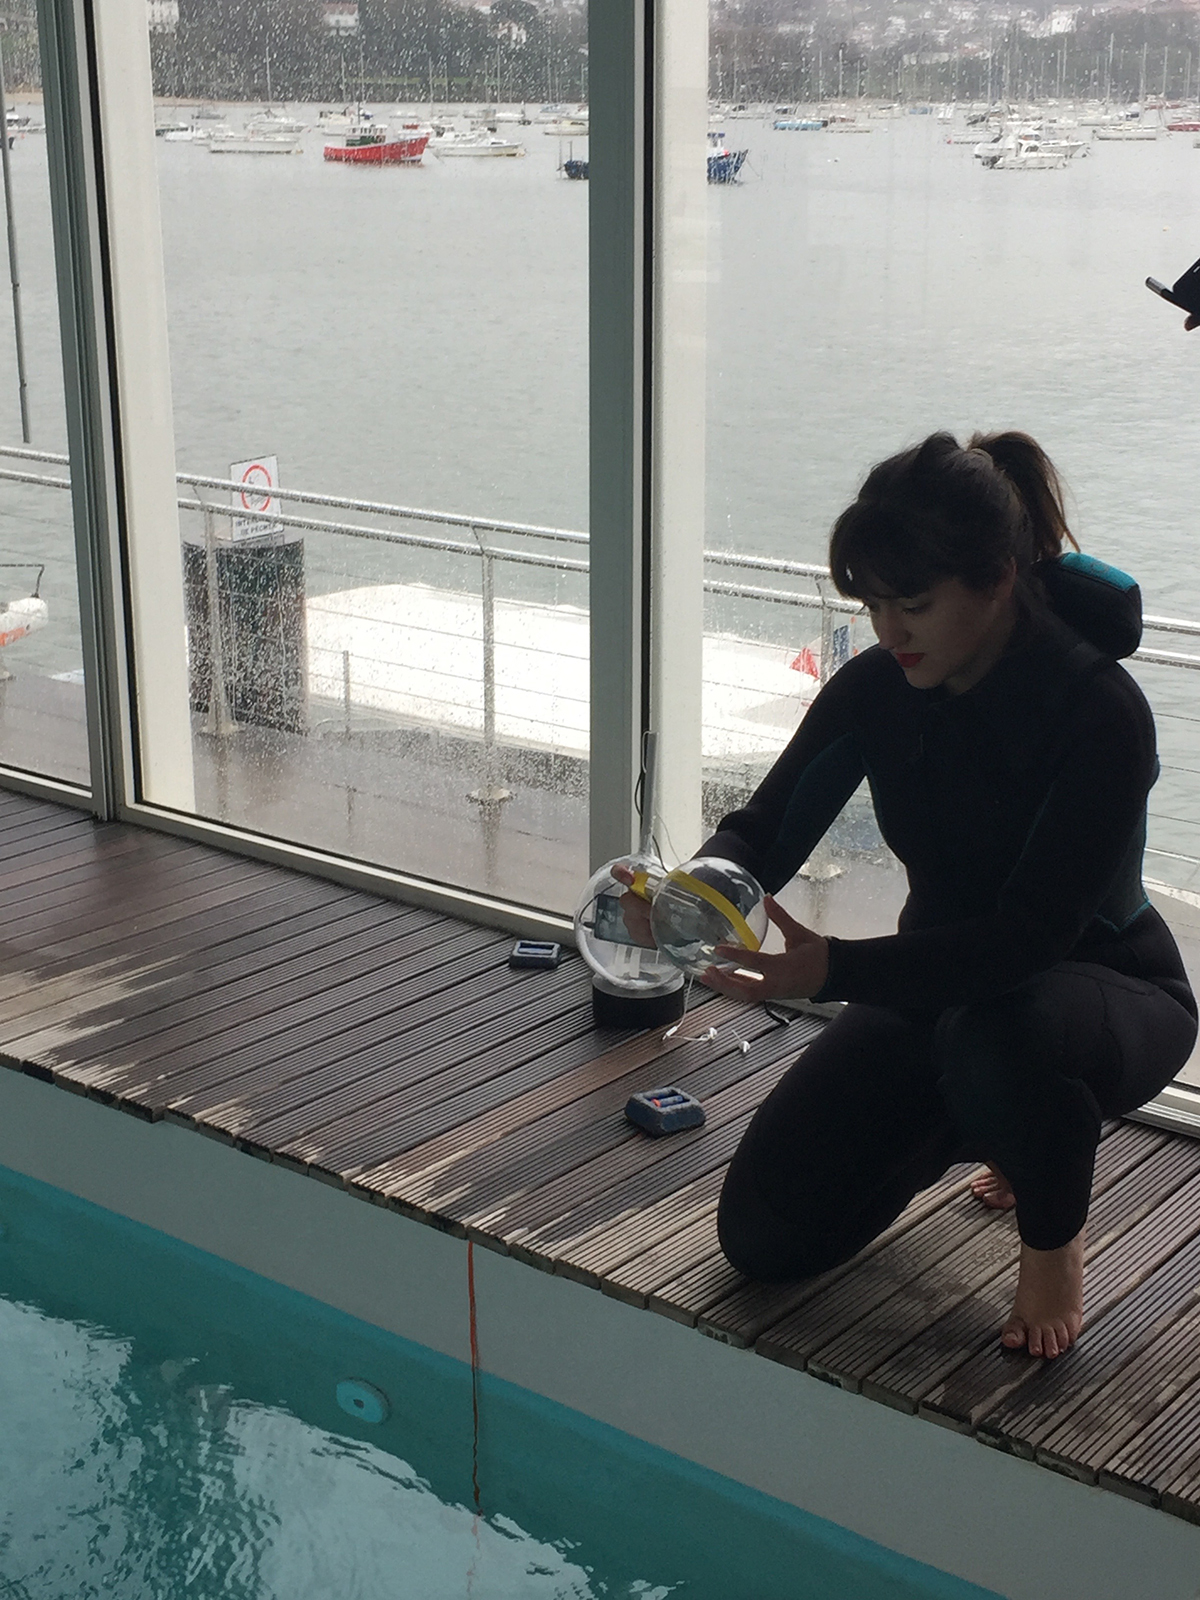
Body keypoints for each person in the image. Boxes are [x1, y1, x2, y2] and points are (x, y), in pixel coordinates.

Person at [685, 431, 1196, 1358]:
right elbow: (764, 829)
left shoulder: (1098, 711)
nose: (890, 632)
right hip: (941, 992)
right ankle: (994, 1124)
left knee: (1004, 1038)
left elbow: (1029, 937)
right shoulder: (880, 687)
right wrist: (693, 894)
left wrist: (833, 969)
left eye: (912, 605)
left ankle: (1052, 1233)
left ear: (998, 580)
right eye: (874, 605)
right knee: (764, 1237)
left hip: (1102, 994)